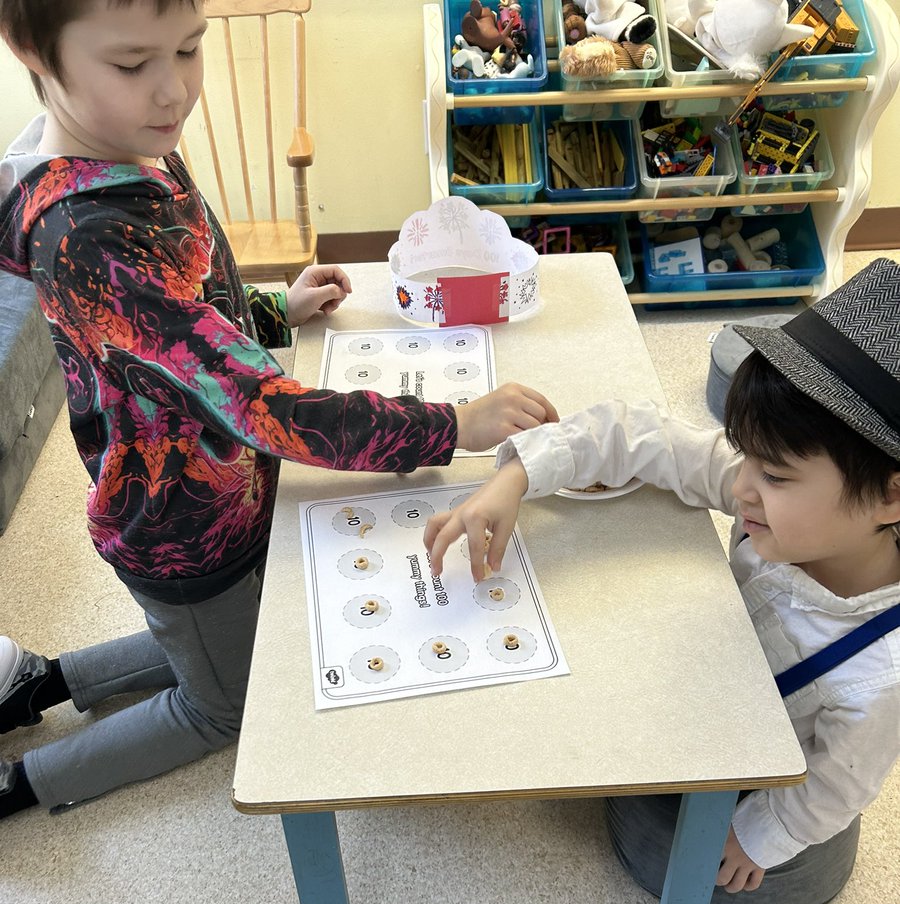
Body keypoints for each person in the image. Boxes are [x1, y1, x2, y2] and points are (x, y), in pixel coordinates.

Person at [0, 0, 557, 819]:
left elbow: (191, 329)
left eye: (189, 50)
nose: (173, 92)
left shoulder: (132, 150)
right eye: (131, 65)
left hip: (224, 490)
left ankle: (48, 683)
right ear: (33, 54)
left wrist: (271, 313)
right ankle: (23, 786)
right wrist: (450, 425)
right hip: (178, 529)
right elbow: (265, 407)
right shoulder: (89, 235)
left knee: (224, 640)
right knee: (219, 702)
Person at [425, 257, 900, 904]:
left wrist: (758, 837)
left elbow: (839, 783)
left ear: (889, 495)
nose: (741, 488)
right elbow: (637, 434)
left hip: (765, 758)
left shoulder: (882, 677)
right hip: (708, 678)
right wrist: (518, 478)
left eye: (776, 477)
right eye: (746, 458)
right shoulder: (769, 491)